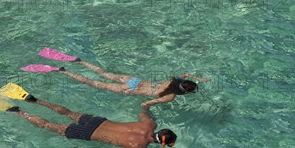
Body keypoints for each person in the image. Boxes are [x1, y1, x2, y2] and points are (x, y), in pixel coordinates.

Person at [0, 88, 177, 148]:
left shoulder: (150, 124)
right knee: (49, 125)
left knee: (67, 112)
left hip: (97, 121)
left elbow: (143, 111)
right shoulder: (139, 147)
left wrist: (151, 113)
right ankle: (17, 112)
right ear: (162, 144)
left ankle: (34, 99)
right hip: (88, 133)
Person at [53, 61, 210, 108]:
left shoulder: (173, 81)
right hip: (130, 89)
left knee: (104, 73)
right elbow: (145, 103)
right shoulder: (170, 97)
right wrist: (148, 114)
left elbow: (185, 74)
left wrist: (200, 79)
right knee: (93, 83)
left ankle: (80, 61)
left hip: (134, 81)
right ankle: (63, 71)